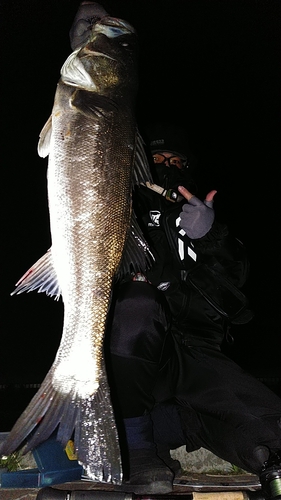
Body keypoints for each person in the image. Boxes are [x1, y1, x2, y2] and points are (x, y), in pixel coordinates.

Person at [69, 4, 281, 499]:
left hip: (196, 360)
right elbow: (88, 144)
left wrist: (210, 238)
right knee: (136, 310)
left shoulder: (201, 214)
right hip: (135, 368)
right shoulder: (118, 199)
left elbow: (232, 294)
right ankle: (138, 454)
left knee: (259, 420)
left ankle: (268, 461)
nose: (167, 166)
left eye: (176, 159)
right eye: (157, 157)